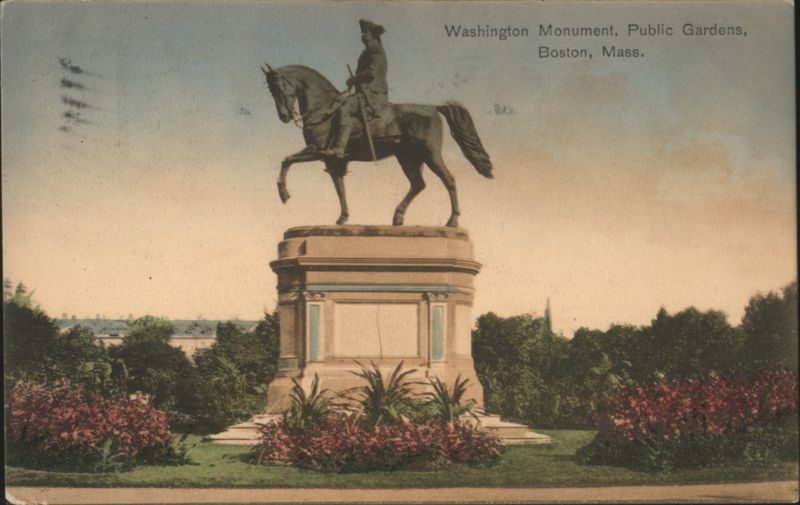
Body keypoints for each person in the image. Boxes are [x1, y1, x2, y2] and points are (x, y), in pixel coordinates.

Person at [321, 19, 388, 159]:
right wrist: (354, 81)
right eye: (362, 33)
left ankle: (339, 148)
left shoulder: (376, 51)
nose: (363, 35)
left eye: (366, 32)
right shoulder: (369, 52)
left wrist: (354, 79)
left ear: (373, 35)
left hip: (373, 94)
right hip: (365, 92)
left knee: (345, 108)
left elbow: (371, 73)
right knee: (339, 100)